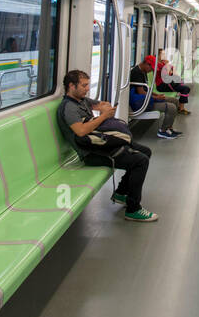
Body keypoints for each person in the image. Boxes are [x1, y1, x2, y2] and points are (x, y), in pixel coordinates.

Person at [57, 69, 157, 222]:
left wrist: (105, 107)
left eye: (88, 85)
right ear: (71, 86)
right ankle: (133, 208)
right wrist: (103, 115)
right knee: (140, 161)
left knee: (145, 151)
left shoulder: (81, 100)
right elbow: (81, 131)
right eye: (83, 86)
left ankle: (121, 192)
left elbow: (100, 105)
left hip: (99, 142)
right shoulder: (68, 108)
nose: (87, 89)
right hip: (91, 152)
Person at [129, 57, 182, 138]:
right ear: (146, 63)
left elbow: (146, 89)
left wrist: (156, 95)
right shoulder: (136, 73)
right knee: (171, 107)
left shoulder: (143, 72)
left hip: (146, 99)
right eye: (151, 68)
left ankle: (169, 128)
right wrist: (156, 98)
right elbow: (141, 92)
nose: (151, 70)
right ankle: (163, 131)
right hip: (140, 102)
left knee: (175, 101)